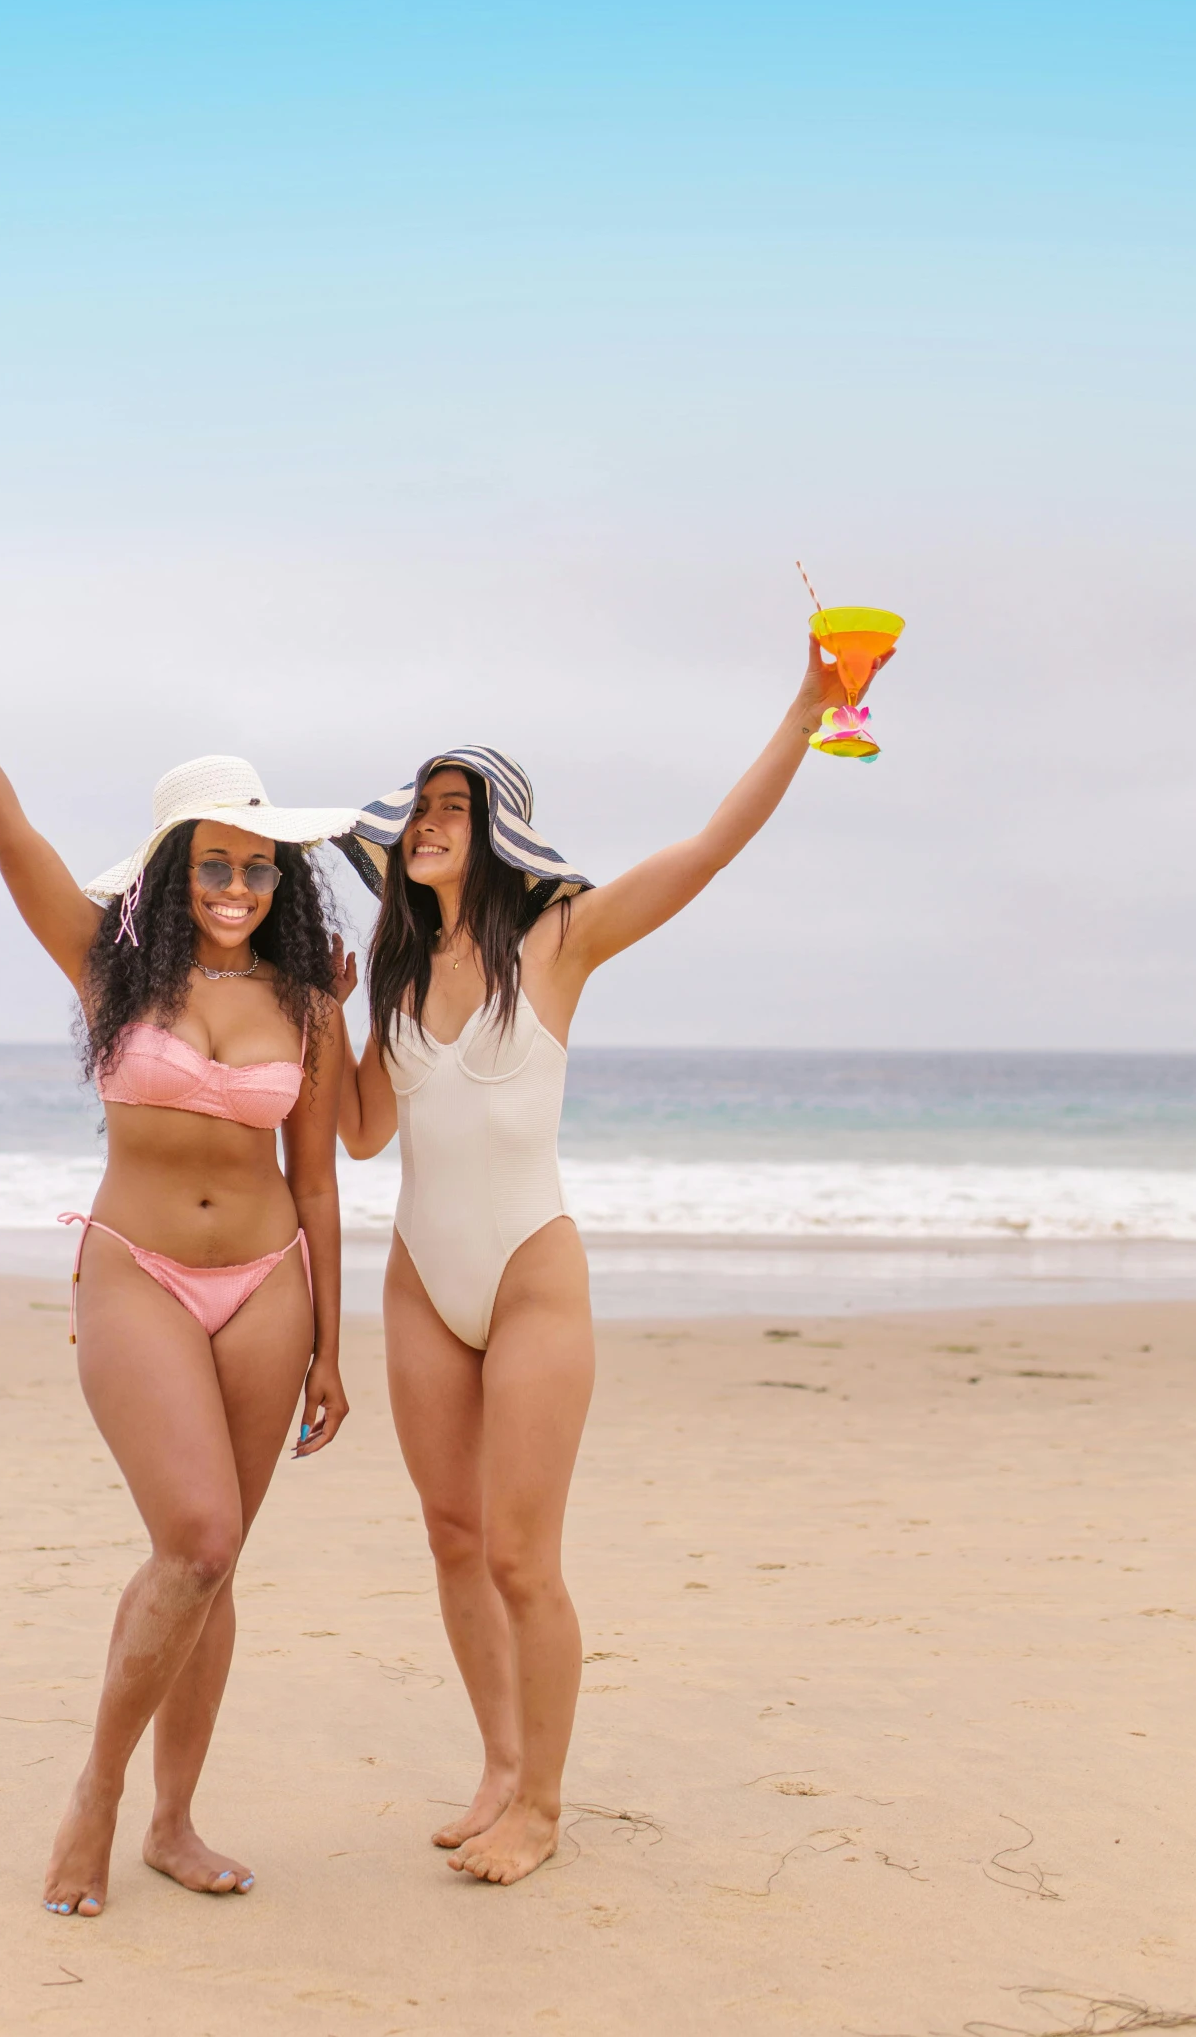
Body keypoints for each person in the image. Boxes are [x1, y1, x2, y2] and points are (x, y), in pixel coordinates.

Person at [0, 586, 354, 1918]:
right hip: (134, 1267)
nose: (238, 885)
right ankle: (98, 1787)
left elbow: (318, 1178)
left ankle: (175, 1821)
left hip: (268, 1291)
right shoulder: (110, 966)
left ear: (278, 877)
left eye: (258, 865)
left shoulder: (306, 1000)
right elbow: (6, 831)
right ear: (174, 865)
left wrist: (333, 1349)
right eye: (215, 861)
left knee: (218, 1559)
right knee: (189, 1535)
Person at [333, 644, 872, 1884]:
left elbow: (706, 847)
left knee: (524, 1554)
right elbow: (364, 1131)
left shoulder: (560, 943)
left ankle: (544, 1803)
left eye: (450, 807)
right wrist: (321, 1011)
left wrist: (804, 707)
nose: (425, 824)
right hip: (420, 1272)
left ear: (497, 834)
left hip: (530, 1273)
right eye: (417, 807)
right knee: (451, 1532)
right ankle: (497, 1764)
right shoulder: (399, 972)